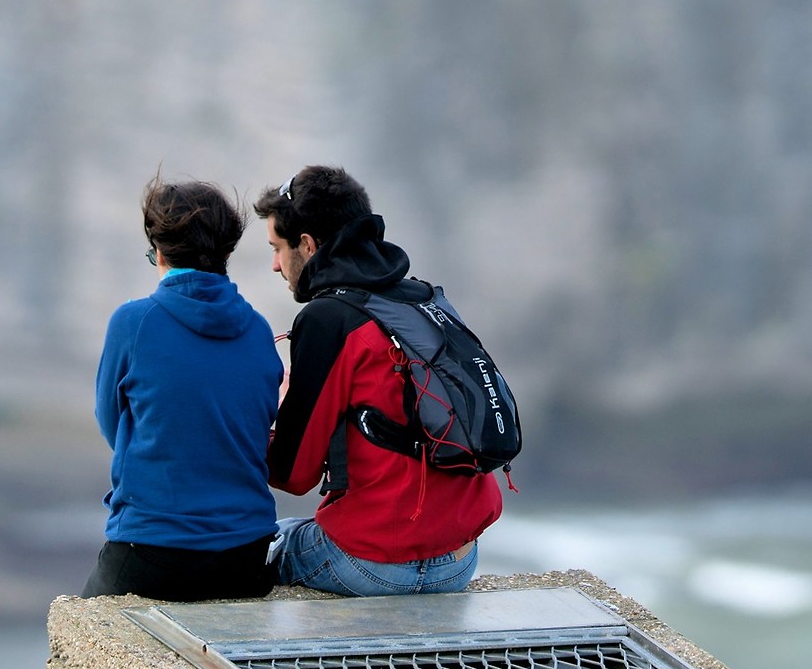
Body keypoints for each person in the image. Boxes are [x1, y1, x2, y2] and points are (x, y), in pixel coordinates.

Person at [259, 166, 502, 595]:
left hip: (372, 564)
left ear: (309, 245)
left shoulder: (326, 320)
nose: (276, 265)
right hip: (459, 559)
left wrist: (279, 411)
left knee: (264, 540)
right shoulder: (423, 301)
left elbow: (292, 474)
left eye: (278, 248)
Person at [82, 176, 282, 601]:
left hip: (152, 552)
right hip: (244, 557)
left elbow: (112, 423)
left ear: (158, 250)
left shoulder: (133, 323)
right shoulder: (259, 331)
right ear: (226, 251)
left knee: (74, 640)